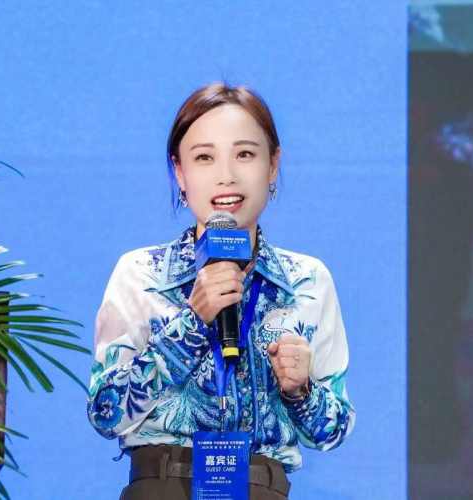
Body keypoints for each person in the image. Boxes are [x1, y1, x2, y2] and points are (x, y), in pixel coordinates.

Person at [87, 82, 356, 500]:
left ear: (272, 165)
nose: (226, 176)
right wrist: (191, 325)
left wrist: (300, 390)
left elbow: (332, 432)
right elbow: (106, 414)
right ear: (180, 172)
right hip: (162, 487)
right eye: (204, 157)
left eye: (245, 154)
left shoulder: (307, 281)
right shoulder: (141, 273)